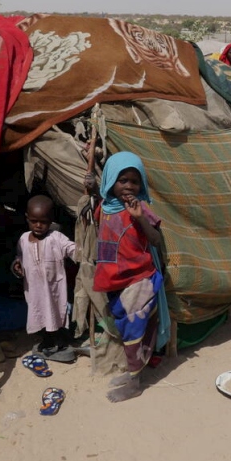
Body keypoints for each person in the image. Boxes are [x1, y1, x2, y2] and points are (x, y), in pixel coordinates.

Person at [90, 152, 166, 402]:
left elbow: (156, 240)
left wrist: (140, 219)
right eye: (123, 180)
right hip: (115, 281)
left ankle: (135, 383)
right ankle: (132, 373)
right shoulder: (105, 206)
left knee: (134, 333)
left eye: (135, 181)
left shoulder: (141, 208)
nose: (129, 186)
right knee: (126, 330)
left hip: (138, 280)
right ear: (111, 180)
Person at [12, 195, 77, 361]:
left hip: (54, 288)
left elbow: (71, 249)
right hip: (34, 289)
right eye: (34, 221)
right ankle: (47, 342)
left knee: (57, 313)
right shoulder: (23, 239)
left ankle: (61, 342)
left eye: (43, 221)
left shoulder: (56, 237)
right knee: (39, 314)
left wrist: (84, 249)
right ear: (27, 218)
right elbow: (19, 256)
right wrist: (17, 265)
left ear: (51, 220)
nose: (38, 225)